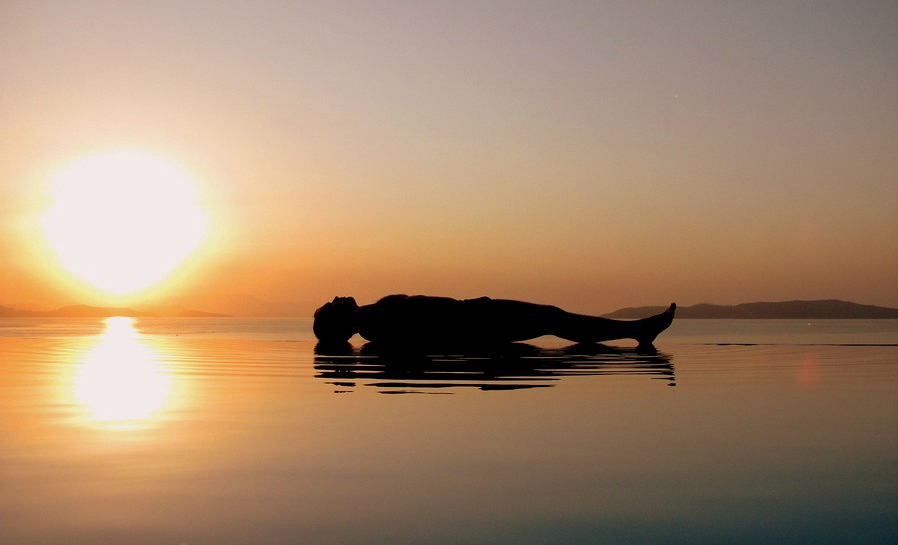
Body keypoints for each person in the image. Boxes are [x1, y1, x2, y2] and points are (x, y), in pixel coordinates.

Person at [313, 295, 675, 348]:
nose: (338, 295)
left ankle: (636, 331)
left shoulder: (372, 318)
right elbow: (422, 326)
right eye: (332, 303)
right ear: (339, 319)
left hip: (475, 315)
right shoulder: (372, 322)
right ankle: (637, 331)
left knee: (552, 319)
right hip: (477, 321)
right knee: (551, 319)